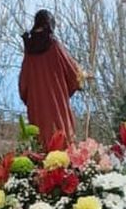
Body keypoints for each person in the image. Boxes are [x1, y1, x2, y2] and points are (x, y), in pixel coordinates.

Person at [17, 10, 83, 151]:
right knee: (61, 139)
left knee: (41, 144)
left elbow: (23, 85)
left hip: (37, 108)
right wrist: (80, 77)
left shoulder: (29, 51)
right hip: (56, 103)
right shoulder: (53, 45)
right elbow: (72, 72)